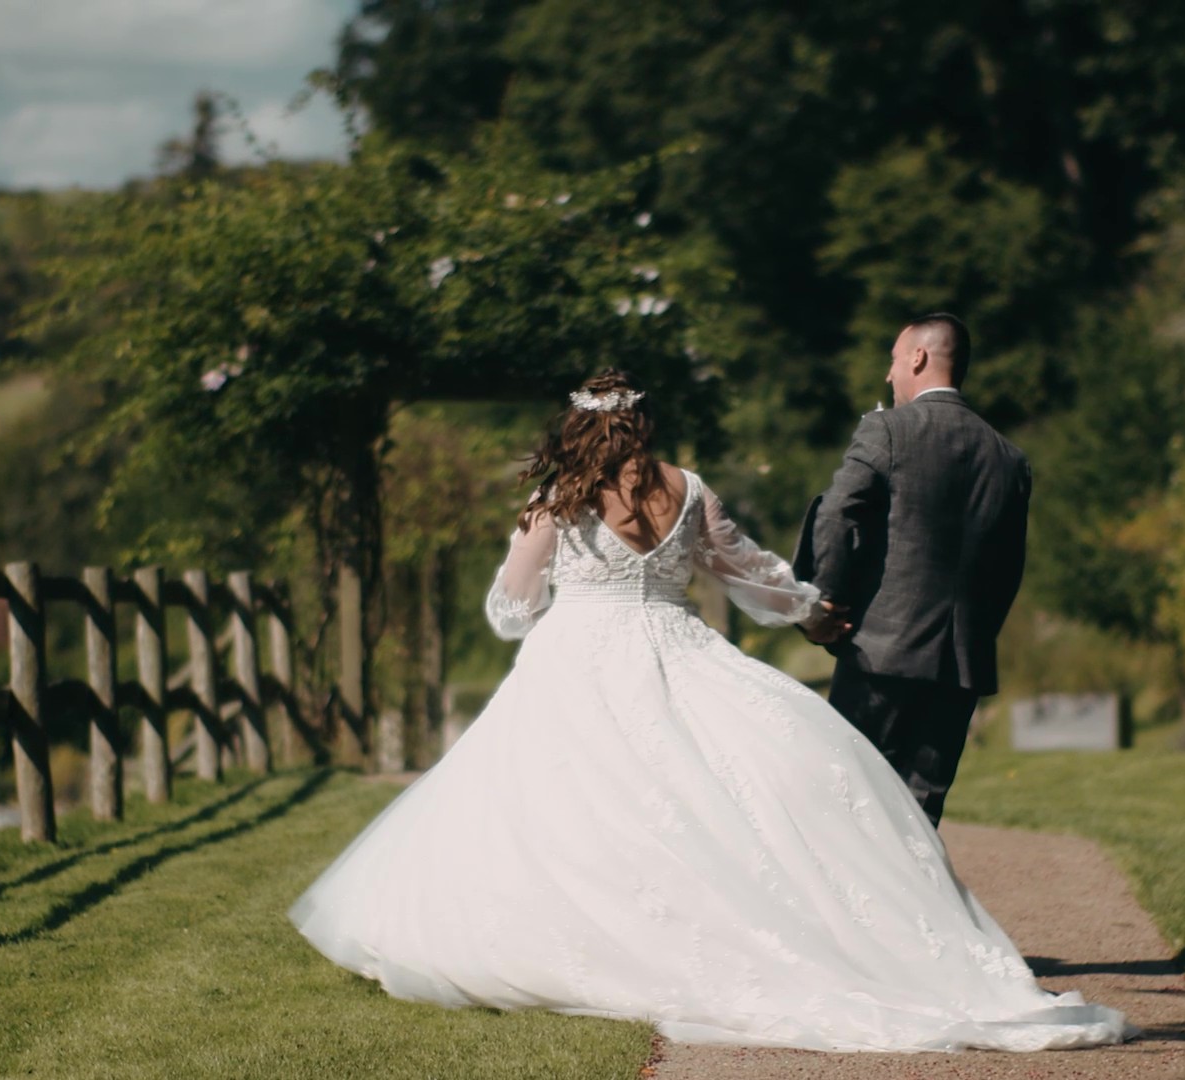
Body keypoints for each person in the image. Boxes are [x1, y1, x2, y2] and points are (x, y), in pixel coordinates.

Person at [290, 370, 1127, 1053]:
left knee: (568, 810)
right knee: (708, 798)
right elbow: (748, 572)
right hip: (677, 651)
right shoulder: (685, 489)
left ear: (577, 431)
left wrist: (550, 586)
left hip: (576, 658)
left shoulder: (557, 500)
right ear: (644, 427)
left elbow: (509, 608)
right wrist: (808, 609)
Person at [798, 314, 1031, 826]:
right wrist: (975, 633)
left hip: (880, 654)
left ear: (919, 358)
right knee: (919, 818)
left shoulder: (886, 429)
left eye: (894, 359)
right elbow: (1009, 567)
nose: (889, 375)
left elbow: (838, 512)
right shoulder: (1010, 459)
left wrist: (826, 601)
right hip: (961, 664)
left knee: (847, 806)